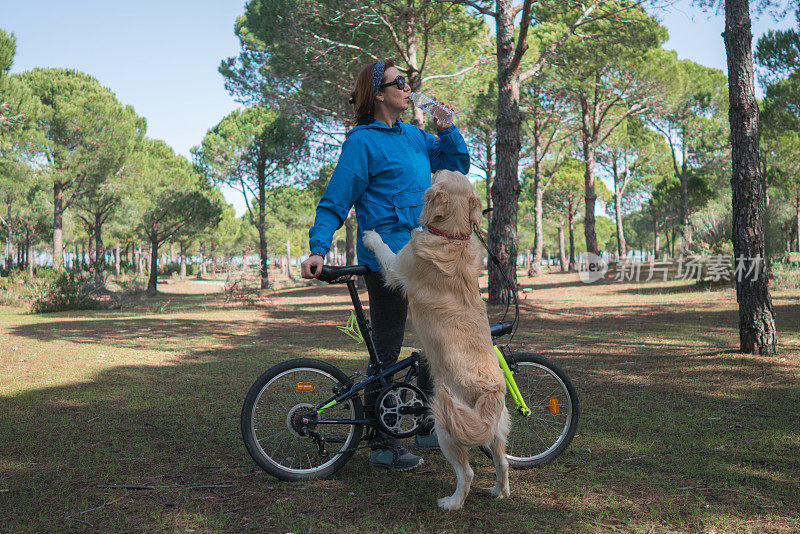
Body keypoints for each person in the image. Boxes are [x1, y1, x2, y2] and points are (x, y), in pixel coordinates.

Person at [300, 59, 470, 471]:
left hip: (426, 256)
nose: (407, 87)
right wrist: (318, 247)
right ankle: (382, 443)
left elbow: (456, 167)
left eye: (408, 82)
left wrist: (447, 128)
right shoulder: (362, 142)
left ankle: (430, 424)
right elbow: (337, 198)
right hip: (386, 262)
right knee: (388, 351)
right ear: (379, 93)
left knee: (441, 339)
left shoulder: (414, 136)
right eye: (399, 82)